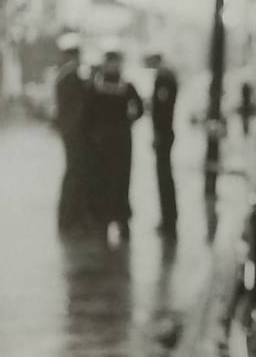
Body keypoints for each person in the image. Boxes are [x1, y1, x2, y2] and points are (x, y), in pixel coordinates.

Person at [85, 43, 144, 243]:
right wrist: (128, 121)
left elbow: (88, 113)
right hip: (121, 139)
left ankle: (104, 219)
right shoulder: (127, 87)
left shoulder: (97, 86)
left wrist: (95, 131)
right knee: (120, 179)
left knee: (104, 178)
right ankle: (121, 220)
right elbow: (140, 110)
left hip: (103, 140)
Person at [53, 32, 91, 233]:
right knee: (74, 173)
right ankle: (69, 218)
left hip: (69, 131)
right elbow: (77, 108)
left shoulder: (64, 75)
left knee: (73, 173)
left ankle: (69, 217)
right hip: (74, 133)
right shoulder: (71, 76)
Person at [145, 50, 178, 237]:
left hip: (163, 135)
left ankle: (168, 220)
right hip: (166, 134)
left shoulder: (163, 78)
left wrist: (158, 134)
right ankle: (169, 218)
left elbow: (162, 110)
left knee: (164, 177)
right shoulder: (167, 76)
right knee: (165, 177)